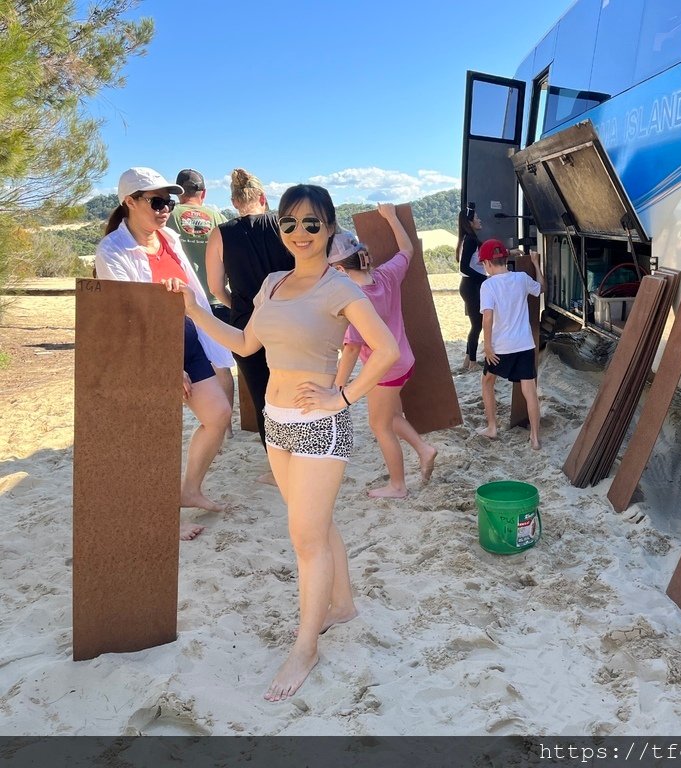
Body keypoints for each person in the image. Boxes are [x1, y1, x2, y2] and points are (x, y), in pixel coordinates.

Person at [165, 184, 399, 702]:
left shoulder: (340, 288)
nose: (299, 233)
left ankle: (305, 647)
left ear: (330, 230)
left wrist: (343, 397)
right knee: (316, 524)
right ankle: (342, 606)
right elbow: (248, 343)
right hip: (277, 422)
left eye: (312, 224)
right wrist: (196, 313)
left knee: (305, 538)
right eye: (289, 223)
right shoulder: (271, 283)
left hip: (321, 425)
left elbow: (385, 349)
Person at [94, 167, 233, 540]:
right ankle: (160, 520)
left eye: (168, 202)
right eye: (155, 201)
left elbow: (194, 294)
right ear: (129, 202)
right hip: (146, 349)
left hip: (186, 338)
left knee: (218, 414)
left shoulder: (169, 236)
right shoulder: (113, 250)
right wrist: (161, 363)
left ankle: (189, 490)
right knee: (156, 436)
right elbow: (127, 316)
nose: (164, 210)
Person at [330, 203, 437, 499]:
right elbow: (407, 250)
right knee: (391, 416)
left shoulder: (354, 299)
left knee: (379, 426)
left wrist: (338, 389)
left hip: (385, 369)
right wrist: (391, 217)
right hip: (404, 360)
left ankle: (398, 485)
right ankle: (423, 448)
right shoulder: (385, 276)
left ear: (339, 269)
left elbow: (351, 349)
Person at [206, 169, 294, 473]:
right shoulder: (283, 224)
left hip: (248, 326)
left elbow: (216, 287)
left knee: (262, 397)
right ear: (264, 198)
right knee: (298, 389)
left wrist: (240, 307)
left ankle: (278, 468)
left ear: (233, 201)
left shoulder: (221, 234)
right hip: (292, 319)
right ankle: (305, 455)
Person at [167, 169, 234, 432]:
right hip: (217, 300)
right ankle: (224, 427)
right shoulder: (218, 217)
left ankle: (205, 422)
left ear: (179, 191)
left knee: (184, 365)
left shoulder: (168, 217)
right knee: (221, 365)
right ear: (203, 193)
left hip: (182, 301)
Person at [476, 239, 545, 450]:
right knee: (530, 390)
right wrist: (535, 264)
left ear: (487, 263)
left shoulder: (488, 285)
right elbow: (541, 288)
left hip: (500, 347)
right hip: (524, 345)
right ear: (506, 259)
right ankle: (534, 437)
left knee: (487, 383)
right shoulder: (522, 278)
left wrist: (487, 345)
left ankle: (492, 427)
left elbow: (487, 317)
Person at [455, 202, 486, 372]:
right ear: (470, 222)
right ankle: (473, 362)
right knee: (477, 325)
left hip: (469, 286)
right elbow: (464, 267)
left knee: (476, 323)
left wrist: (510, 252)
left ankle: (468, 359)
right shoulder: (471, 240)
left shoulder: (469, 240)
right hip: (470, 286)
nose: (479, 220)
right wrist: (484, 279)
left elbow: (488, 253)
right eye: (476, 218)